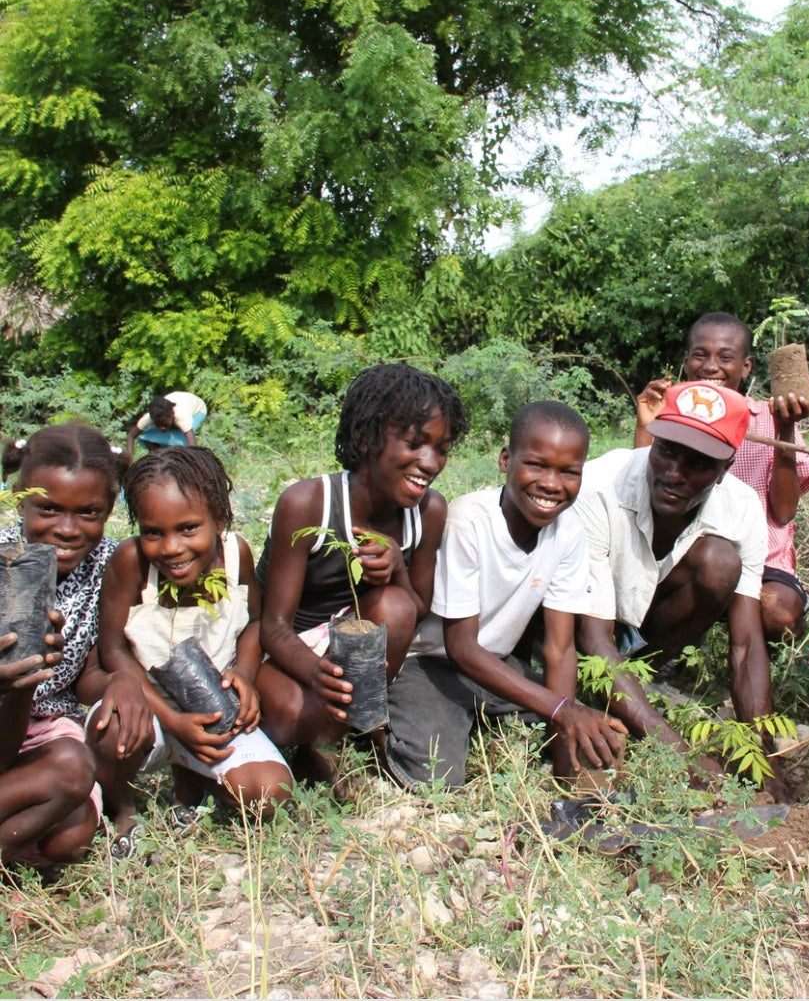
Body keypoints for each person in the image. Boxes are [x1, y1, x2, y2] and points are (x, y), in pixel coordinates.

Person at [383, 401, 627, 788]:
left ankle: (482, 722)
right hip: (430, 662)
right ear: (505, 459)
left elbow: (559, 649)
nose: (551, 484)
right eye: (536, 465)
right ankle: (386, 728)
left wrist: (565, 754)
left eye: (569, 472)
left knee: (596, 738)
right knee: (437, 778)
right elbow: (460, 647)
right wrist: (561, 710)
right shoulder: (469, 521)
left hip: (495, 663)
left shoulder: (569, 532)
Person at [254, 364, 469, 789]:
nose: (429, 462)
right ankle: (321, 738)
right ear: (368, 436)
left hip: (353, 650)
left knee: (396, 603)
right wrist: (318, 673)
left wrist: (397, 567)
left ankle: (346, 729)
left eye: (441, 449)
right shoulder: (309, 504)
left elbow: (416, 609)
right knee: (297, 713)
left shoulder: (428, 512)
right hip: (288, 649)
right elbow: (272, 627)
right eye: (414, 443)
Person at [574, 380, 780, 792]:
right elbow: (593, 638)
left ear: (726, 469)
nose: (674, 474)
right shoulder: (599, 486)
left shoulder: (742, 508)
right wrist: (681, 753)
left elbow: (745, 646)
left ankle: (640, 683)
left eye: (700, 462)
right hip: (582, 630)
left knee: (720, 563)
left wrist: (764, 759)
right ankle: (604, 695)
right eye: (666, 450)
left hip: (647, 631)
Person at [98, 447, 291, 856]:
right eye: (153, 532)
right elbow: (114, 649)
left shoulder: (235, 554)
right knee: (110, 730)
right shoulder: (131, 563)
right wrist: (171, 719)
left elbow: (255, 623)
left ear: (219, 519)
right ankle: (122, 808)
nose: (171, 548)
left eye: (188, 529)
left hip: (213, 709)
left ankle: (193, 779)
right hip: (147, 709)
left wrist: (245, 674)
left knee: (269, 794)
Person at [0, 424, 148, 866]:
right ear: (20, 498)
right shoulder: (4, 559)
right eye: (47, 509)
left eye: (88, 512)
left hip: (43, 730)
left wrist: (119, 681)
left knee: (73, 829)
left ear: (109, 510)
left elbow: (84, 679)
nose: (66, 529)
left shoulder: (109, 564)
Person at [634, 311, 809, 640]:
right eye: (700, 355)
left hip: (762, 561)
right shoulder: (672, 413)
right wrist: (645, 423)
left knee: (778, 612)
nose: (710, 367)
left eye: (725, 357)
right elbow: (641, 487)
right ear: (686, 360)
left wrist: (786, 429)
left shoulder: (768, 416)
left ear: (746, 366)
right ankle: (658, 652)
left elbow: (784, 511)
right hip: (690, 556)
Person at [126, 391, 207, 453]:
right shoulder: (153, 416)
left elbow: (192, 446)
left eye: (164, 424)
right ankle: (159, 458)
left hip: (198, 410)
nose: (162, 428)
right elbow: (131, 435)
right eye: (158, 425)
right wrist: (128, 459)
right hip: (176, 405)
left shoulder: (181, 416)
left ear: (172, 414)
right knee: (146, 437)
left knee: (182, 443)